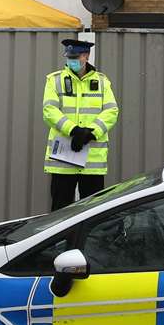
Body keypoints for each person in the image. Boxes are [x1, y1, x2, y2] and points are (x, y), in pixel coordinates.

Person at [42, 38, 120, 210]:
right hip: (63, 159)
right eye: (69, 57)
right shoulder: (55, 80)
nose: (71, 61)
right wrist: (74, 130)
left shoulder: (102, 82)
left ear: (86, 56)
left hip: (92, 161)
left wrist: (90, 133)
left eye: (76, 57)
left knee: (92, 213)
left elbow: (111, 111)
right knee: (60, 212)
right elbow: (49, 110)